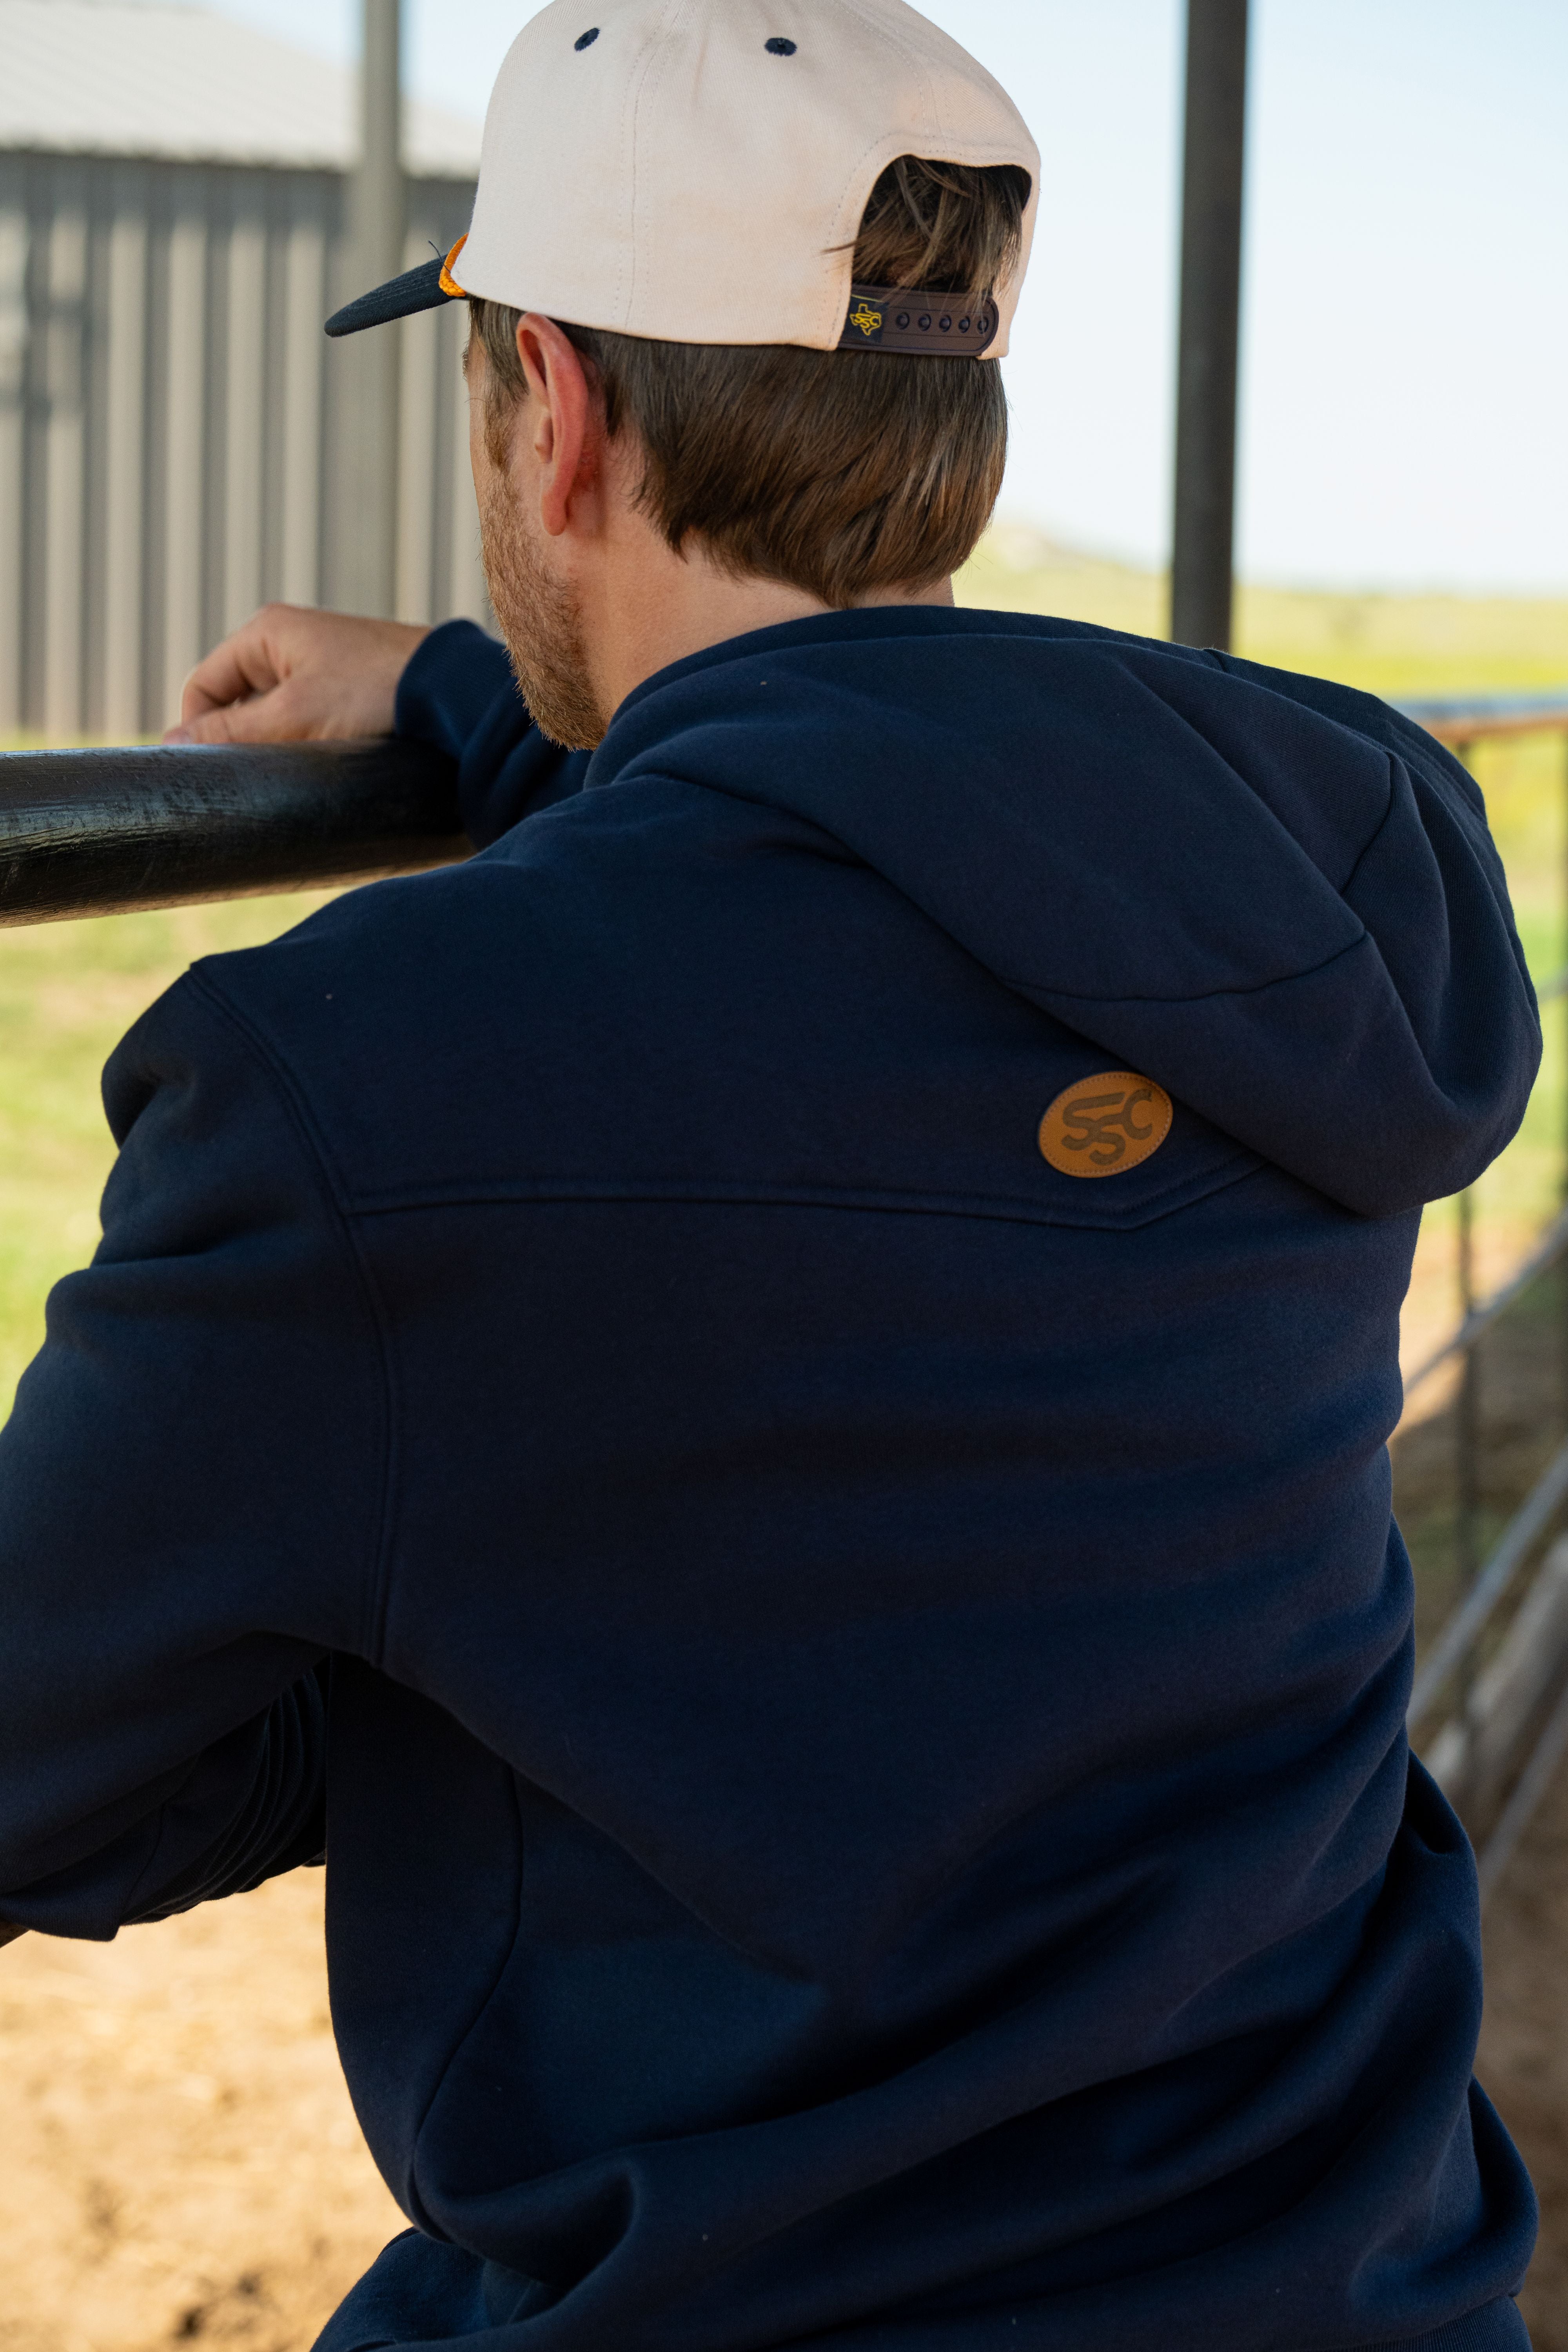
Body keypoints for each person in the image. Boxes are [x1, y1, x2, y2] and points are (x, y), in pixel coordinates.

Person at [0, 1, 1544, 2346]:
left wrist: (442, 1663)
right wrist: (468, 706)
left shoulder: (354, 1092)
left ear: (561, 410)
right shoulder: (1340, 868)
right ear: (956, 420)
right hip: (1358, 2272)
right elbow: (864, 865)